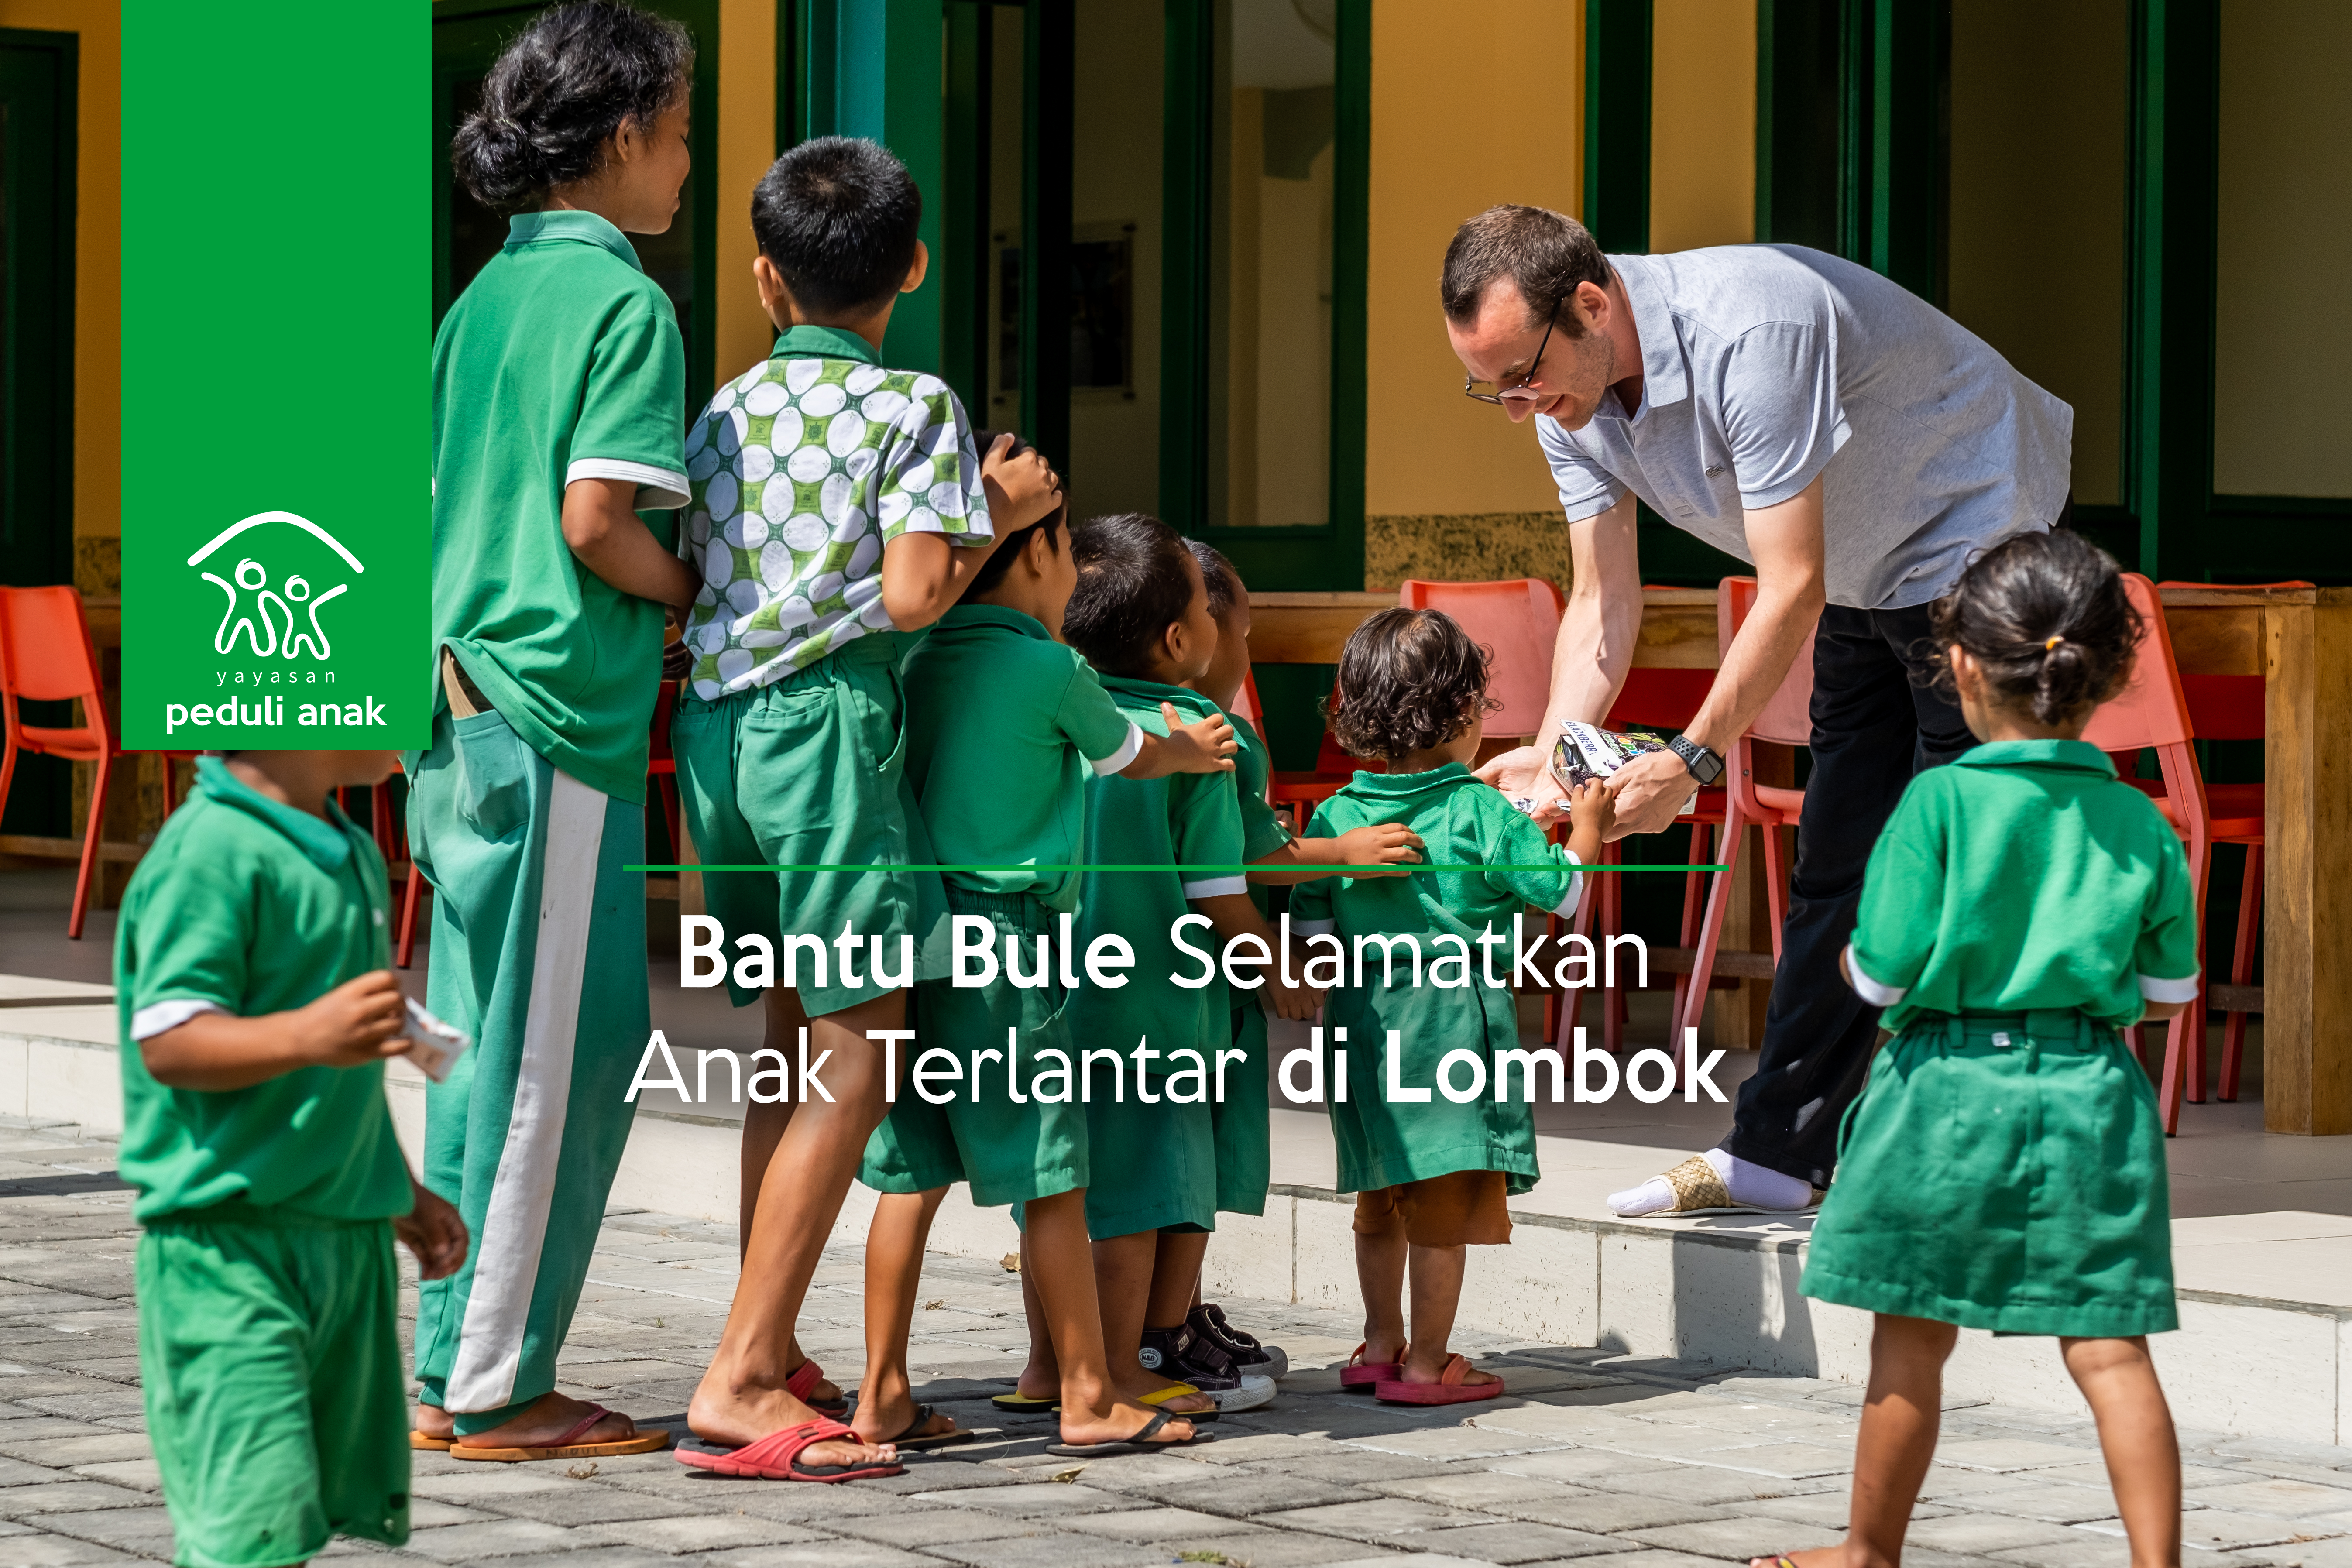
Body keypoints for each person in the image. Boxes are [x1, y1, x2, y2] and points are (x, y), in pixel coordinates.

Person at [1439, 204, 2075, 1216]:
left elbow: (1792, 584)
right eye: (1493, 387)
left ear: (1591, 304)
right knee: (1838, 856)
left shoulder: (1752, 328)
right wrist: (1557, 753)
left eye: (1523, 374)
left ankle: (1994, 1156)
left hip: (1969, 519)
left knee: (1958, 852)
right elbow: (1604, 601)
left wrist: (1690, 760)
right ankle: (1778, 1150)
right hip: (1871, 568)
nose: (1518, 406)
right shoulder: (1572, 399)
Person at [670, 137, 1060, 1482]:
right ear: (914, 266)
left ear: (766, 281)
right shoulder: (915, 409)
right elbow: (907, 598)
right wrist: (995, 520)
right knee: (857, 1053)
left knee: (790, 1046)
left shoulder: (719, 409)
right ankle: (738, 1373)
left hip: (715, 745)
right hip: (828, 738)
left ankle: (761, 1346)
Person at [1758, 530, 2191, 1568]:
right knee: (2110, 1348)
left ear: (1956, 665)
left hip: (1943, 1096)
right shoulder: (2142, 822)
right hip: (2092, 1092)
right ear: (2115, 671)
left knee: (1908, 1346)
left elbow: (1882, 975)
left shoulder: (1935, 802)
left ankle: (1868, 1551)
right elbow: (2169, 995)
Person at [413, 0, 700, 1458]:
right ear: (627, 131)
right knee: (555, 1063)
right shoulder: (624, 301)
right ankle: (495, 1386)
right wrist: (692, 580)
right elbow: (600, 522)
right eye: (684, 131)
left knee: (474, 1044)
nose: (689, 164)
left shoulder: (482, 299)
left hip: (461, 712)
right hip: (555, 721)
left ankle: (443, 1367)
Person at [855, 443, 1236, 1457]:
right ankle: (1086, 1388)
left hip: (917, 936)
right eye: (1067, 556)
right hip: (1010, 940)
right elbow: (1129, 749)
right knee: (1053, 1178)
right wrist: (1192, 748)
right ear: (1032, 559)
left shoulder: (919, 656)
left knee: (908, 1173)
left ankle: (882, 1390)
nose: (1073, 581)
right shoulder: (1050, 665)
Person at [118, 750, 470, 1564]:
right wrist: (310, 1035)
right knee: (249, 1523)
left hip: (343, 1245)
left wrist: (399, 1193)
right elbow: (169, 1037)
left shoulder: (341, 842)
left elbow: (342, 1071)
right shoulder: (209, 851)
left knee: (290, 1515)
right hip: (229, 1252)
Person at [1290, 608, 1603, 1404]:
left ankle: (1380, 1341)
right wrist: (1589, 828)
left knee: (1379, 1194)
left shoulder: (1334, 819)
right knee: (1439, 1206)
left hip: (1362, 1030)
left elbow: (1317, 934)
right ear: (1467, 714)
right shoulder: (1482, 814)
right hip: (1450, 1030)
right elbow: (1564, 892)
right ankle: (1429, 1364)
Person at [1059, 514, 1315, 1416]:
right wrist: (1275, 958)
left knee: (1068, 1189)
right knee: (1155, 1184)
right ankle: (1141, 1357)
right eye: (1220, 621)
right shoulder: (1201, 733)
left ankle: (1049, 1362)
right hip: (1163, 1009)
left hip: (1059, 995)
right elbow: (1219, 887)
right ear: (1181, 639)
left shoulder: (1064, 715)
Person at [1178, 539, 1422, 1380]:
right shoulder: (1217, 741)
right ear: (1195, 635)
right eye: (1244, 630)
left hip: (1114, 977)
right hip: (1197, 989)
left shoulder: (1102, 723)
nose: (1248, 651)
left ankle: (1144, 1325)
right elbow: (1234, 869)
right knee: (1185, 1158)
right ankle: (1164, 1327)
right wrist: (1337, 858)